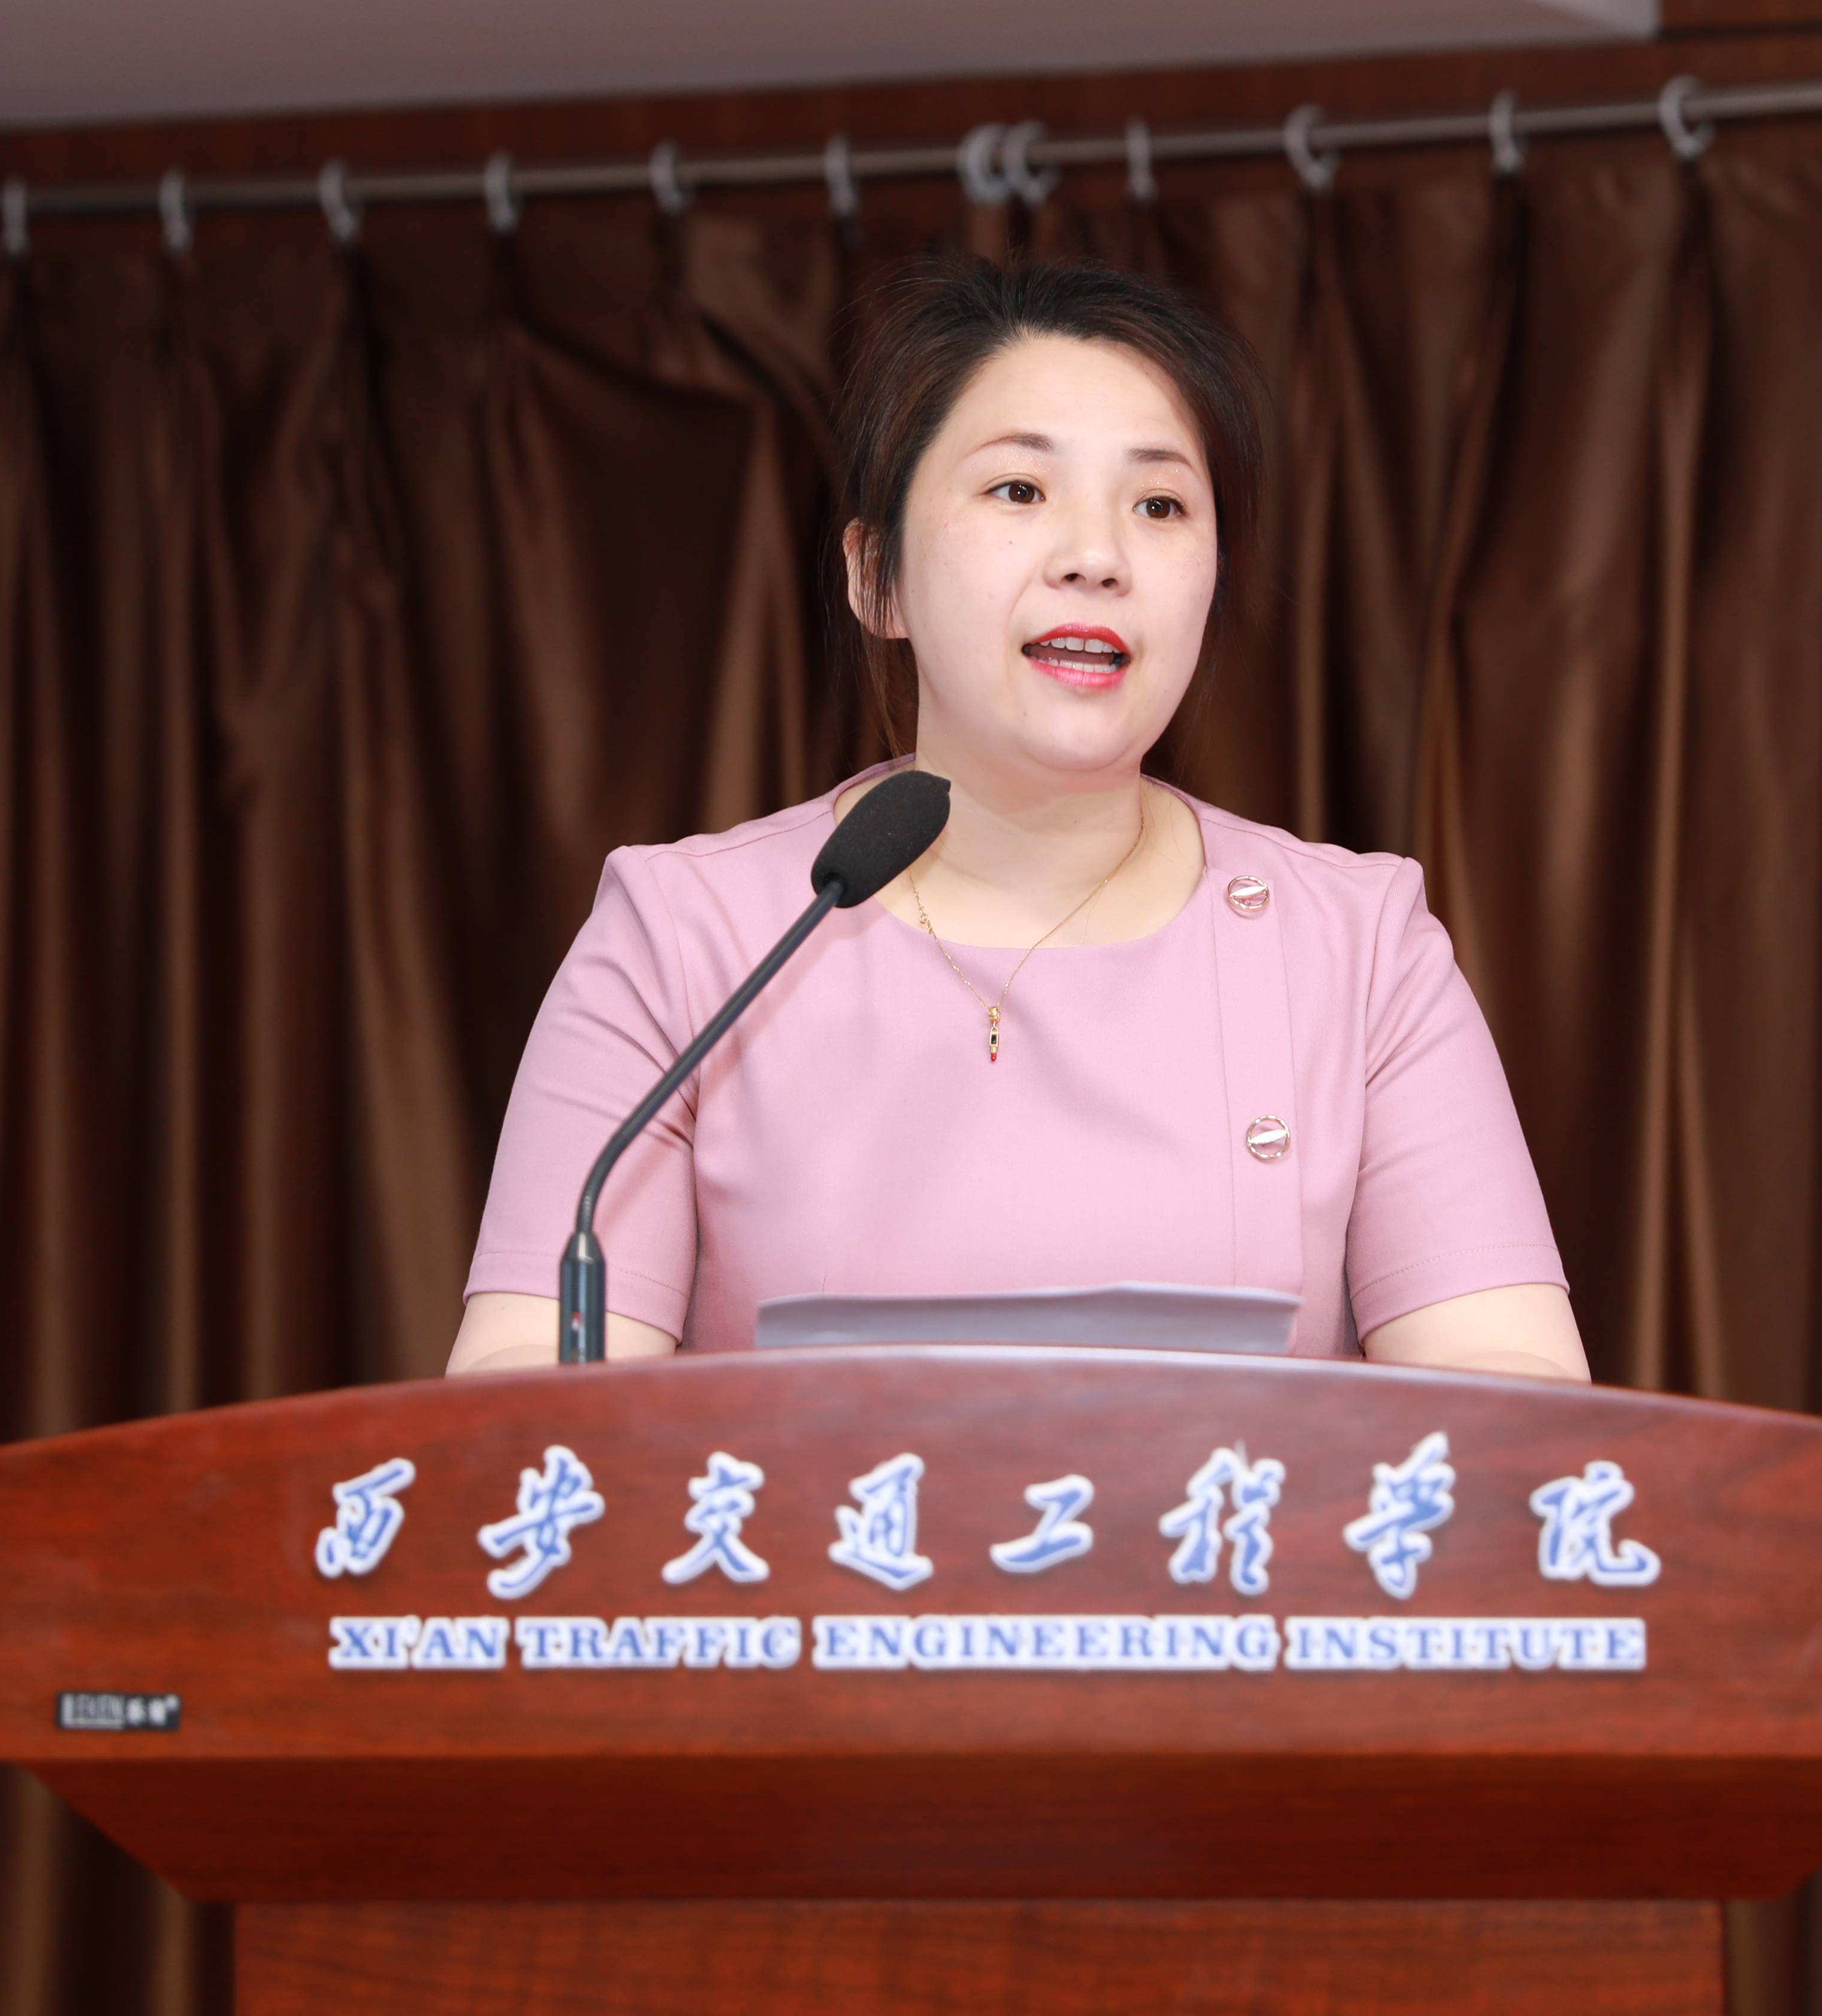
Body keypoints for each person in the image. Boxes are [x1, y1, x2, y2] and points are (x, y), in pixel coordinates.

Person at [444, 255, 1586, 1381]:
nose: (1097, 558)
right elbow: (525, 1396)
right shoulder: (684, 937)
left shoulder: (1358, 951)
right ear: (877, 576)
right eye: (1020, 491)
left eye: (1159, 505)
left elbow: (1511, 1399)